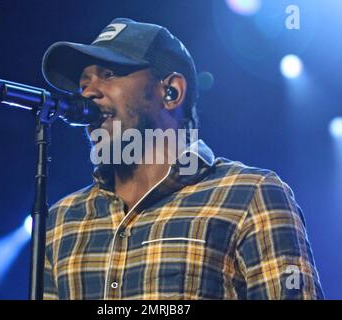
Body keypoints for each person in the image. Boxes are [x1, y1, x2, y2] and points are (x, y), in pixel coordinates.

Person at [41, 18, 323, 300]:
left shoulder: (251, 195)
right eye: (83, 84)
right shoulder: (62, 219)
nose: (89, 92)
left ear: (171, 91)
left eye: (109, 74)